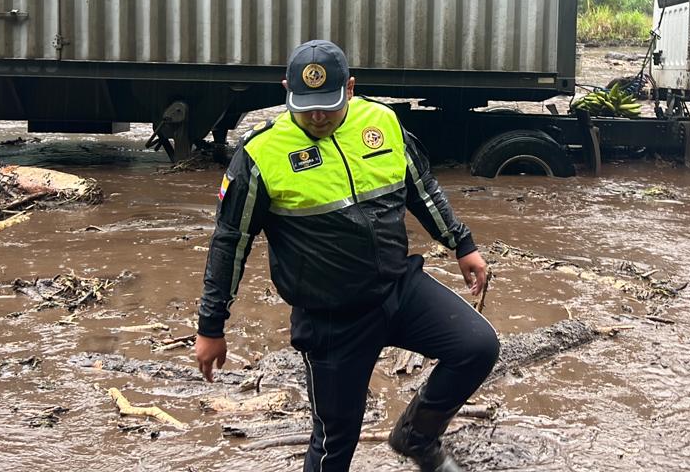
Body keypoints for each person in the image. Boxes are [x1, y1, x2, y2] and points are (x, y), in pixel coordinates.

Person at [195, 39, 499, 472]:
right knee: (337, 439)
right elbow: (230, 241)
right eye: (306, 106)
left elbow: (422, 188)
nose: (317, 116)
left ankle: (416, 436)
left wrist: (461, 244)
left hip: (399, 288)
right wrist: (211, 326)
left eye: (329, 105)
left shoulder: (383, 124)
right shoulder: (260, 155)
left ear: (351, 89)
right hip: (331, 318)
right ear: (286, 91)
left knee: (477, 346)